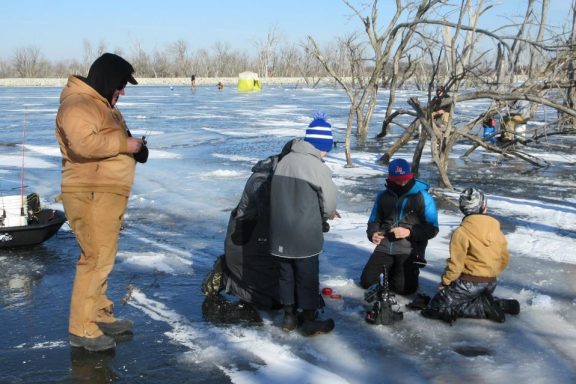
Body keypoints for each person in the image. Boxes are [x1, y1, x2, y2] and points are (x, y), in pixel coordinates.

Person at [55, 53, 148, 352]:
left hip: (105, 192)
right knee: (95, 259)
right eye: (120, 84)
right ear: (107, 78)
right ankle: (81, 329)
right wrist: (125, 144)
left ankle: (99, 313)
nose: (121, 91)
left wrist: (136, 149)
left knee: (102, 257)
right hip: (90, 191)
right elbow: (83, 145)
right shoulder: (77, 104)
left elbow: (119, 142)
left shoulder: (102, 106)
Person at [270, 112, 339, 336]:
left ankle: (289, 318)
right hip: (304, 234)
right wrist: (329, 214)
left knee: (285, 275)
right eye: (326, 148)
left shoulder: (284, 160)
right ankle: (309, 320)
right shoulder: (317, 167)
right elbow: (329, 203)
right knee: (307, 276)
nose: (326, 153)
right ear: (321, 145)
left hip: (279, 232)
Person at [421, 188, 520, 324]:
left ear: (463, 209)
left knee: (434, 307)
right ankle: (500, 303)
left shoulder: (462, 232)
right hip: (491, 282)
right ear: (484, 207)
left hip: (469, 283)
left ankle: (483, 309)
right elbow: (504, 258)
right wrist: (490, 274)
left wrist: (446, 283)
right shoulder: (496, 229)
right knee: (468, 297)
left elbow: (456, 264)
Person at [360, 158, 439, 295]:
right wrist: (372, 234)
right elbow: (374, 221)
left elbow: (432, 228)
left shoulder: (423, 197)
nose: (402, 182)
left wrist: (409, 232)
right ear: (390, 178)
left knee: (404, 290)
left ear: (410, 175)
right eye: (398, 179)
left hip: (409, 249)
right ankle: (391, 268)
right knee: (366, 282)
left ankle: (402, 271)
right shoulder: (383, 196)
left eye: (405, 178)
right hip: (385, 246)